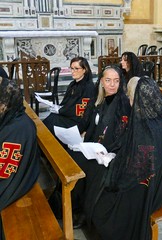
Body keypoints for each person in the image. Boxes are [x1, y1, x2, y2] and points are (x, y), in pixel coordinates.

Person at [71, 75, 162, 239]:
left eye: (132, 99)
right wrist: (115, 156)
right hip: (160, 182)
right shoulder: (158, 120)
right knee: (96, 172)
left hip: (145, 190)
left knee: (101, 189)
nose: (130, 103)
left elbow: (136, 174)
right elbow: (138, 156)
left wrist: (112, 165)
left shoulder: (145, 130)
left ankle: (89, 212)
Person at [65, 65, 131, 227]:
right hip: (93, 146)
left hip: (110, 153)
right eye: (108, 80)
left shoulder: (123, 103)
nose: (112, 85)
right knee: (72, 158)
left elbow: (122, 135)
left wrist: (107, 152)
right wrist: (82, 138)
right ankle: (72, 206)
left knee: (90, 168)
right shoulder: (98, 100)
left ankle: (85, 213)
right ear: (101, 81)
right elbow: (90, 124)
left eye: (116, 81)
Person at [0, 77, 40, 239]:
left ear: (7, 101)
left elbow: (4, 172)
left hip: (13, 183)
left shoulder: (17, 130)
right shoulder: (11, 118)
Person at [43, 56, 95, 141]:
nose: (73, 72)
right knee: (52, 118)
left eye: (76, 69)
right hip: (70, 117)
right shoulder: (72, 84)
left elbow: (81, 111)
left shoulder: (89, 87)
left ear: (84, 70)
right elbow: (66, 103)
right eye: (71, 68)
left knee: (52, 121)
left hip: (78, 122)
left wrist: (60, 111)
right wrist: (58, 107)